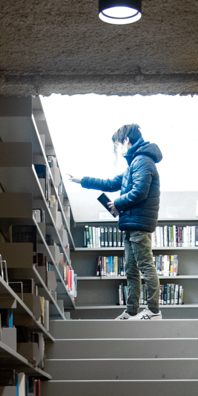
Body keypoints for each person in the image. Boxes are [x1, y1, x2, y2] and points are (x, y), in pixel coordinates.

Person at [69, 124, 163, 320]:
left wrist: (117, 204)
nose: (118, 149)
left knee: (145, 266)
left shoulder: (143, 161)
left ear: (126, 140)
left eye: (118, 144)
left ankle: (154, 311)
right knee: (131, 270)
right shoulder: (133, 165)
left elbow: (140, 192)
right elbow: (110, 183)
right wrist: (82, 180)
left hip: (139, 224)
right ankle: (131, 311)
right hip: (130, 224)